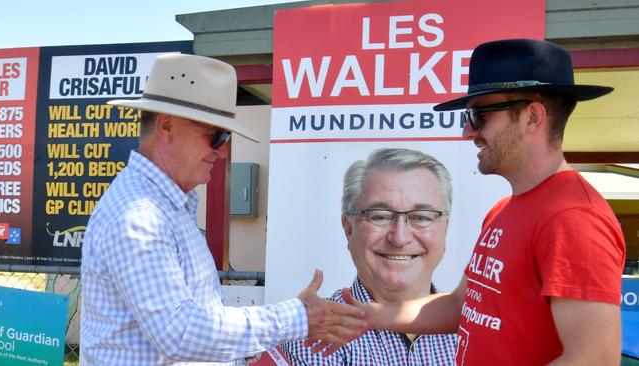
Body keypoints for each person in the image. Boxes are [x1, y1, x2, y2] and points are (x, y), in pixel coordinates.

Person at [341, 39, 626, 365]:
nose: (467, 131)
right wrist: (365, 314)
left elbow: (595, 359)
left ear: (531, 117)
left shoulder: (573, 217)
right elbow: (462, 306)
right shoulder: (504, 210)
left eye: (478, 115)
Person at [80, 54, 365, 365]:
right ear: (166, 127)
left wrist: (254, 347)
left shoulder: (167, 207)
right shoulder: (139, 215)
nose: (223, 150)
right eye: (216, 135)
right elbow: (180, 332)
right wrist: (297, 318)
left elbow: (203, 316)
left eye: (226, 137)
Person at [281, 148, 456, 365]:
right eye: (380, 217)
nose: (400, 238)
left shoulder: (478, 327)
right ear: (348, 228)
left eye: (421, 217)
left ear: (445, 228)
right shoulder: (315, 335)